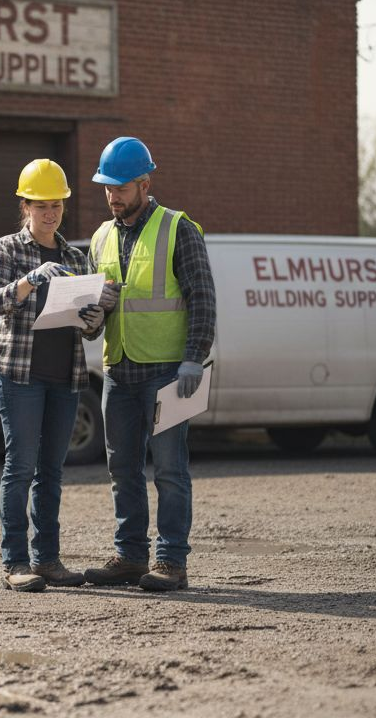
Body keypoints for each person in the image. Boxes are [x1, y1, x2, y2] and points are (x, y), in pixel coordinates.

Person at [82, 137, 216, 592]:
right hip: (118, 371)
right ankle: (130, 556)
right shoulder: (100, 238)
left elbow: (203, 298)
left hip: (169, 373)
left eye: (121, 187)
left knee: (171, 471)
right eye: (107, 188)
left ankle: (171, 562)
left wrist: (193, 359)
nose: (113, 196)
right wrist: (93, 313)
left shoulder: (179, 228)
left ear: (145, 183)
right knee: (123, 471)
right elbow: (90, 324)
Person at [0, 159, 105, 592]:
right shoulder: (8, 249)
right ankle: (16, 562)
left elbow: (91, 326)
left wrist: (93, 317)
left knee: (51, 470)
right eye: (41, 205)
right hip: (18, 374)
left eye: (56, 205)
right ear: (25, 206)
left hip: (65, 376)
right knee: (21, 466)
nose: (50, 213)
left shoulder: (75, 255)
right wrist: (30, 281)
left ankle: (47, 560)